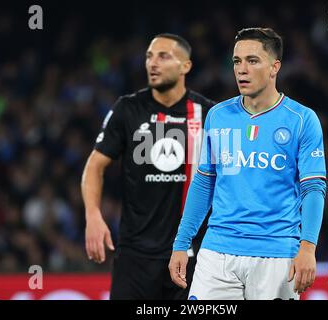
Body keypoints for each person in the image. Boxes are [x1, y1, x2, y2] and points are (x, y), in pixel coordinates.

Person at [169, 27, 327, 300]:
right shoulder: (219, 116)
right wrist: (181, 243)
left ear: (274, 67)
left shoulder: (301, 119)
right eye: (237, 61)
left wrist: (308, 247)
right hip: (217, 253)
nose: (241, 69)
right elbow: (205, 182)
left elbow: (313, 189)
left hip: (276, 255)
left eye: (252, 61)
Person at [81, 33, 215, 300]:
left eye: (163, 56)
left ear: (185, 66)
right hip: (135, 257)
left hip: (192, 256)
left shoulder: (209, 114)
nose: (152, 63)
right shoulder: (128, 109)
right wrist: (93, 215)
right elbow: (94, 166)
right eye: (149, 56)